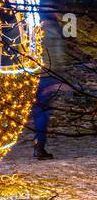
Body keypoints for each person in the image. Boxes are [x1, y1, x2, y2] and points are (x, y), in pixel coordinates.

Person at [32, 10, 69, 159]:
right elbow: (58, 56)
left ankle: (38, 144)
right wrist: (61, 77)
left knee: (38, 112)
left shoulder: (33, 29)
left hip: (32, 75)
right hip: (48, 76)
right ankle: (39, 147)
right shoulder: (53, 30)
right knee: (43, 112)